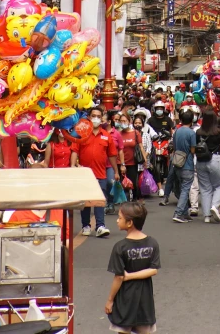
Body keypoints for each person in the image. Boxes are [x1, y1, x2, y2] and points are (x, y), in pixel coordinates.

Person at [105, 202, 160, 334]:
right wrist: (132, 275)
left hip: (125, 299)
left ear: (129, 223)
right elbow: (154, 270)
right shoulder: (152, 243)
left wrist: (110, 300)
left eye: (120, 218)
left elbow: (119, 276)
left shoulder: (120, 247)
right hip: (145, 300)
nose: (117, 220)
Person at [78, 106, 119, 237]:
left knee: (99, 200)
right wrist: (75, 165)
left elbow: (112, 155)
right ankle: (85, 225)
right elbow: (74, 150)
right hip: (84, 174)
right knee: (85, 201)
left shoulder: (106, 136)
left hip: (101, 173)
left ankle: (100, 226)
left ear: (102, 119)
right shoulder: (81, 134)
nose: (95, 118)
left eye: (98, 116)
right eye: (93, 115)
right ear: (88, 118)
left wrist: (116, 171)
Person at [196, 109, 220, 224]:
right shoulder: (218, 132)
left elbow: (196, 146)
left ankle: (206, 216)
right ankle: (215, 206)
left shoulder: (198, 132)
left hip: (200, 161)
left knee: (205, 188)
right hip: (215, 159)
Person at [171, 109, 197, 223]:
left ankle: (185, 213)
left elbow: (174, 146)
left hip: (177, 161)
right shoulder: (191, 133)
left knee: (183, 187)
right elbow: (193, 149)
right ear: (192, 120)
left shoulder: (177, 131)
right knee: (186, 188)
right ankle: (178, 212)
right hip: (187, 163)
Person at [120, 113, 148, 201]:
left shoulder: (135, 133)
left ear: (129, 122)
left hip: (132, 162)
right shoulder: (118, 134)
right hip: (120, 163)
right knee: (123, 185)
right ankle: (125, 203)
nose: (123, 123)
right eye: (121, 121)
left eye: (125, 121)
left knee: (133, 184)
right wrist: (121, 164)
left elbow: (141, 147)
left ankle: (135, 201)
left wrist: (145, 161)